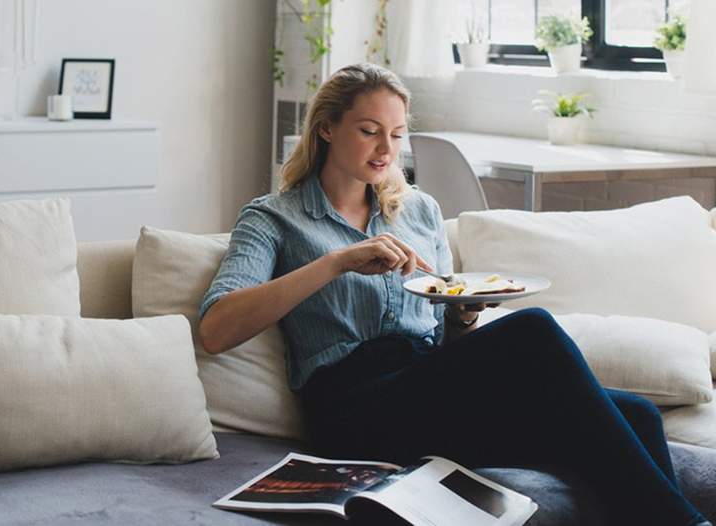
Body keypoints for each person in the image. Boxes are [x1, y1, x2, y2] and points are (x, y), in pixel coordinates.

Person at [199, 63, 709, 526]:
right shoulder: (273, 218)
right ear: (327, 128)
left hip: (429, 385)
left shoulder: (419, 212)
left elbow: (446, 340)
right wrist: (335, 264)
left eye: (397, 135)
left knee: (638, 413)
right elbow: (218, 328)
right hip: (354, 411)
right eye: (369, 131)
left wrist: (462, 317)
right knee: (532, 330)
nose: (386, 150)